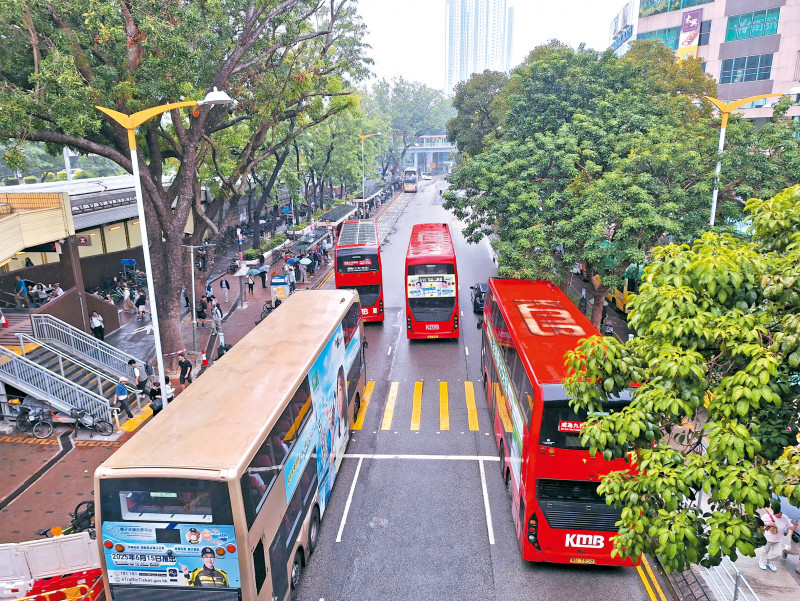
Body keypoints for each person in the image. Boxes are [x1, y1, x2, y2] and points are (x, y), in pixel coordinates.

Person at [758, 498, 798, 571]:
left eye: (781, 513)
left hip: (779, 539)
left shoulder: (785, 518)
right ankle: (762, 562)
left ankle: (768, 560)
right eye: (778, 513)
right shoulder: (767, 516)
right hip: (768, 538)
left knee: (777, 554)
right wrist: (767, 523)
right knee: (765, 551)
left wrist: (795, 525)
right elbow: (759, 523)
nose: (780, 514)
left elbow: (791, 527)